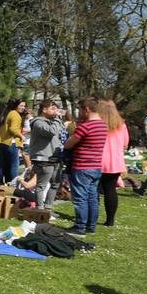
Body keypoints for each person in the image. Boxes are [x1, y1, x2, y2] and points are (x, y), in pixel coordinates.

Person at [64, 98, 106, 235]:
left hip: (82, 166)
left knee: (80, 197)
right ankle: (90, 226)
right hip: (96, 166)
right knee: (92, 197)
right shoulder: (103, 126)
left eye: (80, 109)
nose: (79, 112)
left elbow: (69, 144)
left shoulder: (85, 127)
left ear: (87, 109)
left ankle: (80, 227)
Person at [26, 100, 68, 211]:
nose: (56, 111)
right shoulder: (38, 122)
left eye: (56, 109)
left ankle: (48, 209)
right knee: (41, 186)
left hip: (54, 158)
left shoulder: (52, 121)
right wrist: (57, 119)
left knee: (55, 184)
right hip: (43, 158)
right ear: (44, 110)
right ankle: (40, 210)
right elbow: (51, 131)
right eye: (53, 109)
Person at [97, 98, 129, 227]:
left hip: (98, 160)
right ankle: (110, 220)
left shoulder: (97, 123)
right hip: (115, 161)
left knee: (94, 191)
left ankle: (90, 217)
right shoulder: (121, 124)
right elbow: (125, 144)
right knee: (110, 190)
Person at [0, 99, 26, 185]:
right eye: (21, 105)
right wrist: (21, 136)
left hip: (3, 141)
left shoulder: (9, 113)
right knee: (14, 165)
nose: (23, 108)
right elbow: (13, 129)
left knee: (1, 163)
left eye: (24, 106)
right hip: (12, 142)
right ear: (16, 105)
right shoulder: (16, 115)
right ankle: (12, 183)